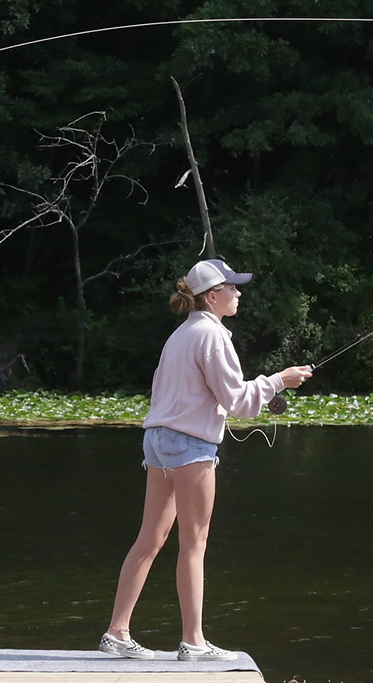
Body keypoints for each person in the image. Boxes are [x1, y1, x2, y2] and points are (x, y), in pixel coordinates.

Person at [99, 258, 313, 661]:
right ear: (212, 297)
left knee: (150, 539)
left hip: (157, 442)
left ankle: (117, 632)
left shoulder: (179, 335)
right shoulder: (213, 336)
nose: (239, 293)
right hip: (189, 447)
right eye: (232, 288)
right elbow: (236, 401)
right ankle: (193, 642)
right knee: (193, 543)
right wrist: (279, 381)